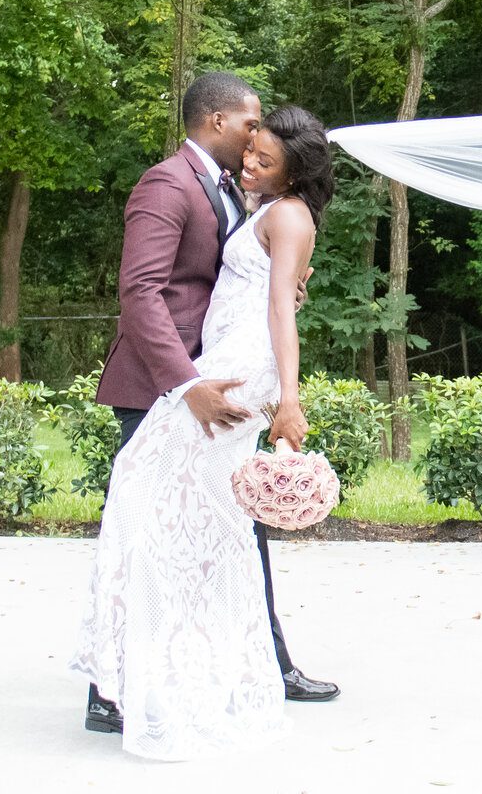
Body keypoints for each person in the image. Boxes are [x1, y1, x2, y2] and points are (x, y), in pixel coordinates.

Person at [73, 77, 338, 759]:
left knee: (217, 527)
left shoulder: (241, 193)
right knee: (147, 522)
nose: (254, 140)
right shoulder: (170, 183)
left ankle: (236, 665)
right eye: (250, 126)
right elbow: (140, 293)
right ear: (218, 119)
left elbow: (267, 283)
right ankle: (116, 687)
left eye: (265, 143)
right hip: (174, 384)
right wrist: (186, 383)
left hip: (221, 374)